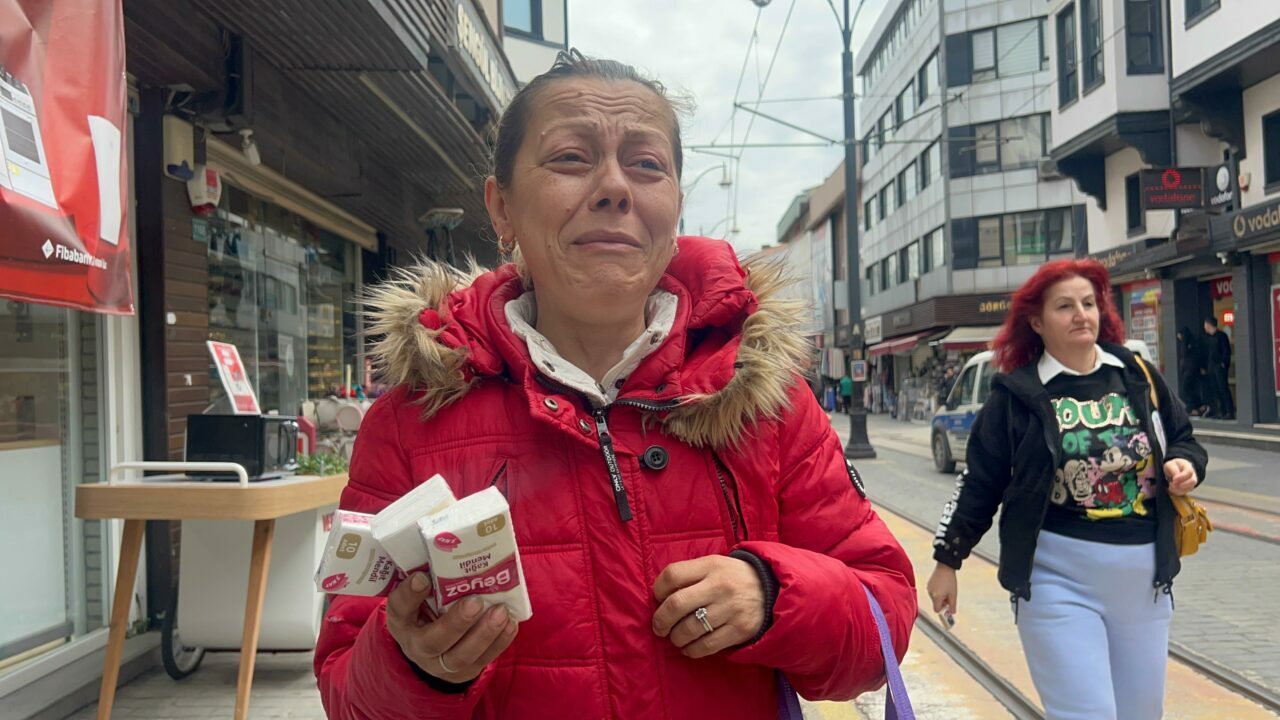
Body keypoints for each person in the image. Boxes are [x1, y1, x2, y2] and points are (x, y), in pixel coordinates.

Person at [314, 50, 916, 719]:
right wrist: (416, 668)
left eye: (647, 164)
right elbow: (348, 695)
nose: (614, 187)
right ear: (502, 209)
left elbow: (882, 619)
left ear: (676, 206)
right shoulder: (408, 422)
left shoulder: (766, 404)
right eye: (571, 157)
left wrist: (775, 595)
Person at [926, 259, 1207, 720]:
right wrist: (947, 560)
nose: (1081, 314)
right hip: (1057, 580)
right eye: (1065, 306)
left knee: (1142, 714)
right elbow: (980, 482)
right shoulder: (1016, 395)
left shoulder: (1136, 374)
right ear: (1036, 322)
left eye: (1088, 303)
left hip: (1144, 582)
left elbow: (1184, 438)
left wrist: (1186, 464)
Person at [1203, 317, 1234, 419]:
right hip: (1211, 367)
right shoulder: (1209, 338)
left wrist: (1224, 363)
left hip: (1219, 367)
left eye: (1205, 325)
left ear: (1209, 325)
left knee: (1223, 388)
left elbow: (1226, 351)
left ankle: (1230, 411)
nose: (1204, 327)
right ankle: (1221, 411)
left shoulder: (1221, 336)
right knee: (1215, 389)